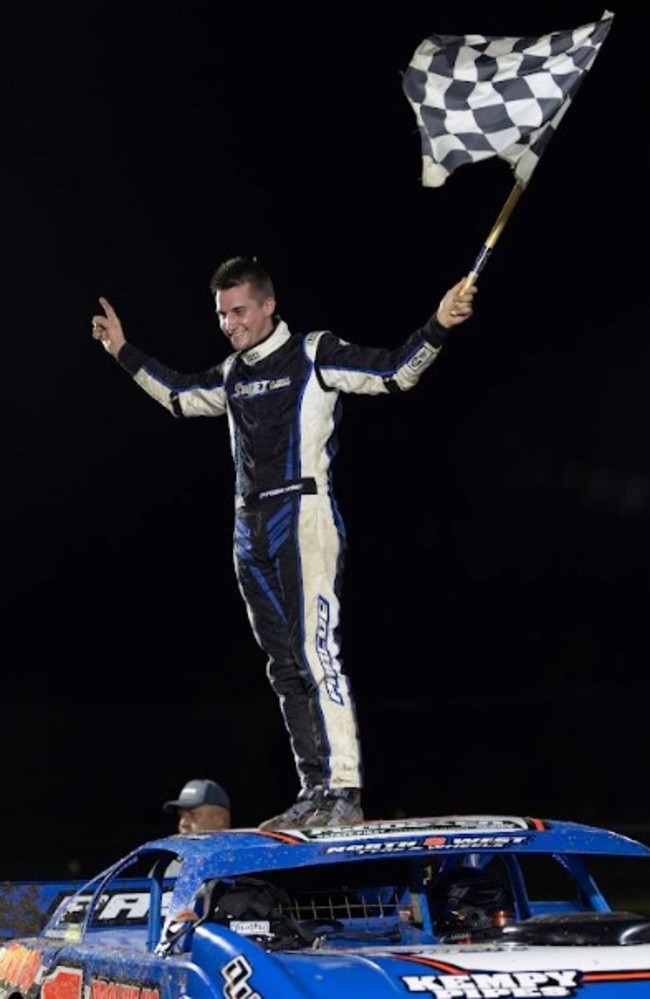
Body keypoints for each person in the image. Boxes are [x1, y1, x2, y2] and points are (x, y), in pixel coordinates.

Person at [91, 256, 476, 830]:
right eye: (222, 314)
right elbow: (178, 396)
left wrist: (438, 325)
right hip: (248, 526)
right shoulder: (231, 373)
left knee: (317, 653)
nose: (230, 324)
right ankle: (315, 786)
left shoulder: (313, 353)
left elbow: (396, 372)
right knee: (283, 665)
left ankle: (344, 787)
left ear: (269, 305)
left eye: (239, 311)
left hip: (303, 515)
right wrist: (124, 352)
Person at [163, 778, 231, 833]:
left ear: (219, 820)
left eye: (193, 814)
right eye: (181, 815)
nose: (183, 823)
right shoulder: (166, 848)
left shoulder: (239, 849)